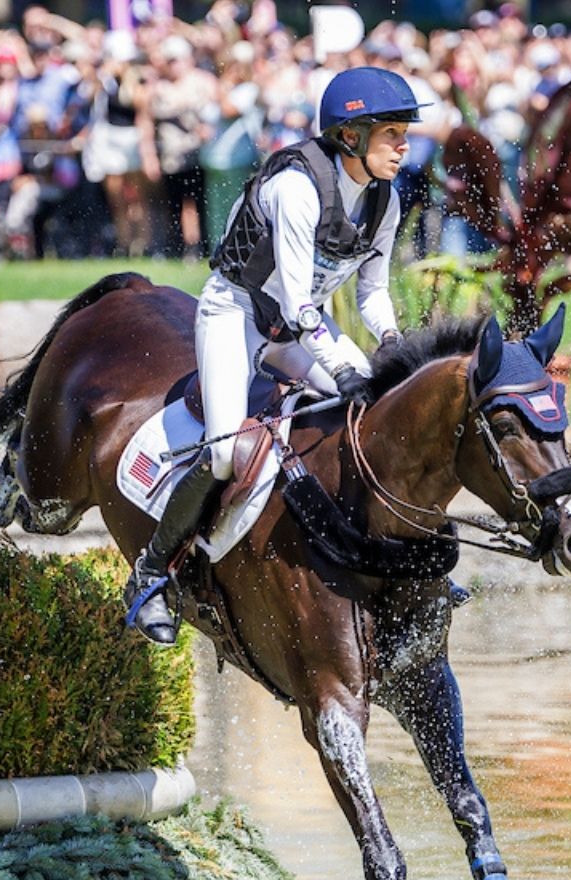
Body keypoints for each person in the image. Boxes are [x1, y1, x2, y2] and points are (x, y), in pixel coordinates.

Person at [121, 65, 423, 645]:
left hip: (295, 328)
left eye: (405, 132)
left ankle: (380, 557)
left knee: (382, 419)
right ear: (351, 137)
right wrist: (339, 366)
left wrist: (390, 346)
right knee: (228, 453)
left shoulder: (383, 201)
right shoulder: (296, 187)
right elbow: (293, 294)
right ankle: (152, 572)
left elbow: (374, 293)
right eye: (392, 132)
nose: (405, 144)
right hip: (235, 315)